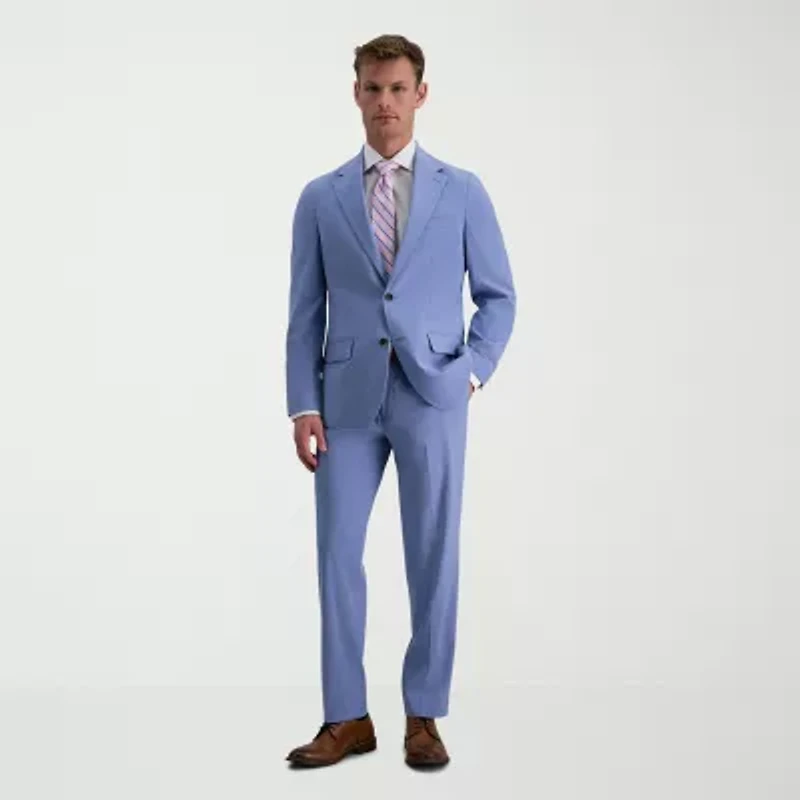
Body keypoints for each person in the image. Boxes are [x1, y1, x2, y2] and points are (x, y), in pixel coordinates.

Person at [284, 33, 516, 769]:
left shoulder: (462, 190)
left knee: (432, 554)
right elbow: (304, 312)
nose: (384, 102)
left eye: (396, 88)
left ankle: (424, 716)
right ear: (356, 94)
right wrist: (302, 403)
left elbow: (499, 297)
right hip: (345, 402)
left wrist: (470, 373)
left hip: (433, 394)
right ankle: (346, 717)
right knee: (335, 555)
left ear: (420, 95)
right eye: (373, 88)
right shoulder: (320, 197)